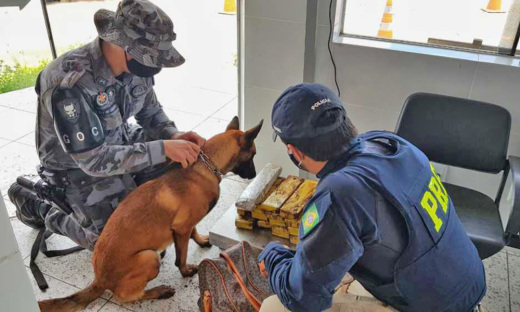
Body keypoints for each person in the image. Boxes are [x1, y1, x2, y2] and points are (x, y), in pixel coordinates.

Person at [258, 83, 486, 312]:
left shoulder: (340, 193)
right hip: (465, 283)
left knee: (272, 307)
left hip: (435, 307)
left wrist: (272, 255)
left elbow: (303, 298)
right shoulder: (388, 143)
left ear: (294, 152)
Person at [8, 0, 205, 251]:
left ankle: (131, 187)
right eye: (150, 55)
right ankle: (39, 205)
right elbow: (93, 161)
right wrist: (163, 148)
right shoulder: (67, 83)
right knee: (121, 246)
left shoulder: (138, 66)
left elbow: (150, 112)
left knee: (186, 166)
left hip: (120, 140)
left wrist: (174, 135)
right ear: (118, 42)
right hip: (77, 168)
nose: (154, 63)